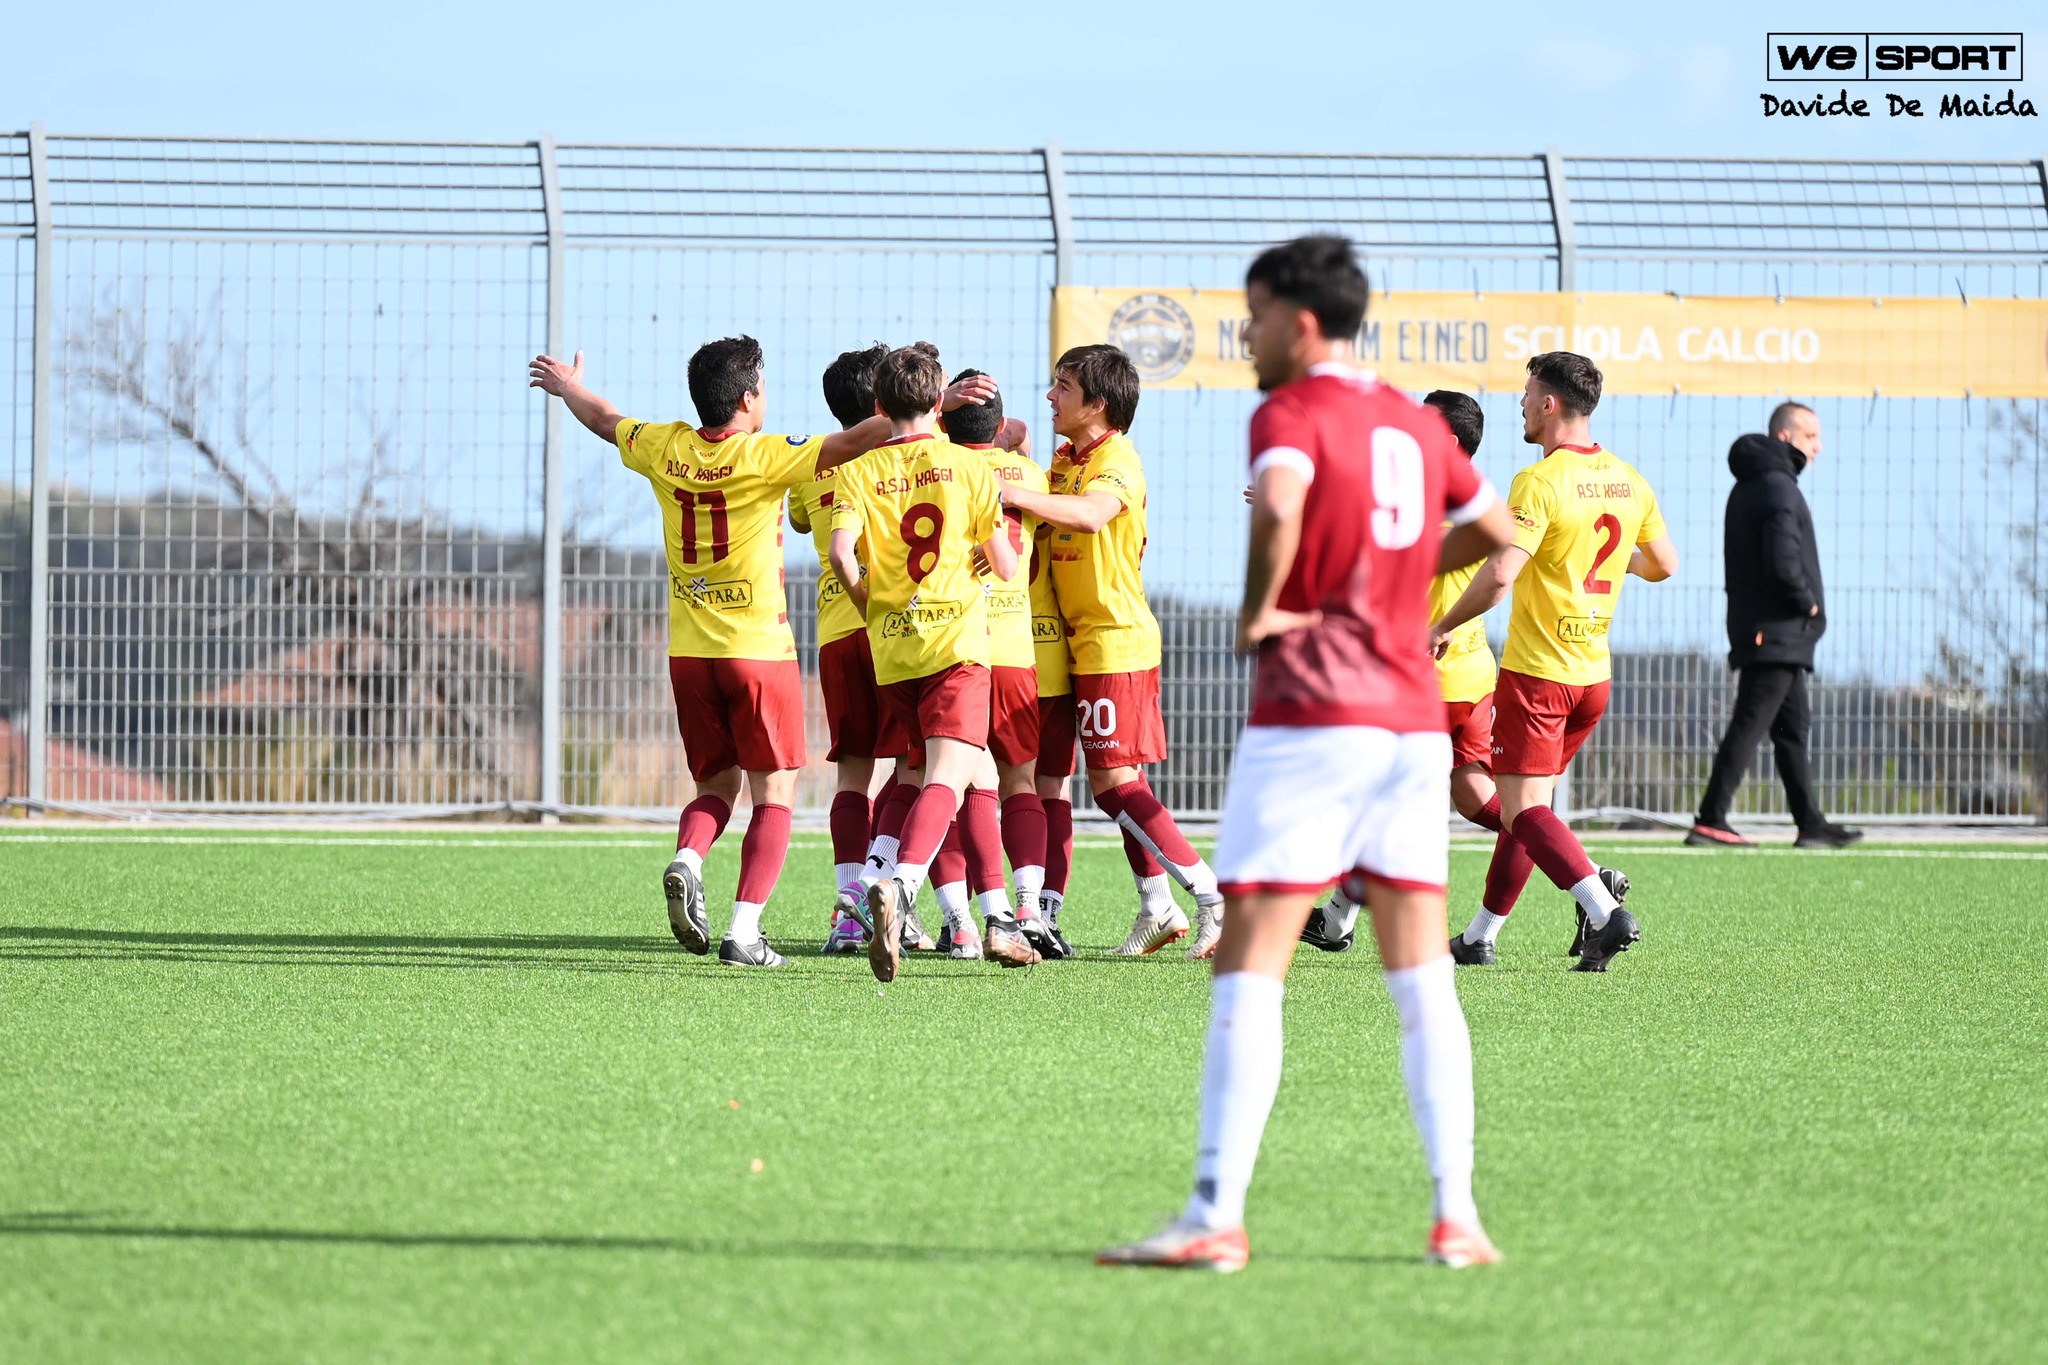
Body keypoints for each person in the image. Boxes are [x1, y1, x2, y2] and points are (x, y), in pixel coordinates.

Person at [1098, 235, 1514, 1273]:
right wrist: (1397, 572)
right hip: (1409, 726)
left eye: (1254, 315)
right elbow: (1498, 532)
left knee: (1251, 968)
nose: (1244, 335)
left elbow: (1280, 503)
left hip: (1310, 719)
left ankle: (1213, 1216)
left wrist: (1262, 608)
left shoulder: (1290, 412)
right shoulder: (1411, 422)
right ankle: (1457, 1219)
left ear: (1302, 321)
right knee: (1420, 977)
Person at [528, 340, 994, 968]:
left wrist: (568, 388)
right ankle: (744, 930)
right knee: (775, 795)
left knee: (715, 785)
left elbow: (606, 420)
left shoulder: (664, 446)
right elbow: (855, 441)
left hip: (689, 653)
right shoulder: (765, 455)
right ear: (749, 398)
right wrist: (931, 405)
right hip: (759, 651)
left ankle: (688, 858)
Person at [1299, 389, 1584, 959]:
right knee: (1480, 799)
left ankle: (1336, 919)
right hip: (1472, 679)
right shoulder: (1485, 500)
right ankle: (1587, 876)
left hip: (1418, 684)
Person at [1429, 352, 1679, 971]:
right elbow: (1664, 564)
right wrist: (1603, 562)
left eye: (1527, 393)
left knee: (1523, 811)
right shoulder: (1628, 479)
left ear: (1549, 403)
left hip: (1539, 675)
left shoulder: (1539, 482)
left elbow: (1499, 577)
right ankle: (1479, 936)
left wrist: (1443, 625)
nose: (1520, 403)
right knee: (1526, 808)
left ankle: (1603, 909)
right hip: (1593, 674)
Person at [998, 345, 1226, 959]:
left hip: (1114, 640)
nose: (1051, 397)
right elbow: (1034, 461)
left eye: (1063, 388)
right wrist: (1010, 438)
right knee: (1115, 779)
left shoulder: (1118, 458)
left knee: (1112, 784)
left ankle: (1212, 896)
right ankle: (1157, 904)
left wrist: (1011, 494)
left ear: (1098, 404)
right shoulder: (1068, 456)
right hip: (1078, 642)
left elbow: (1092, 516)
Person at [828, 344, 1038, 979]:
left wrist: (869, 603)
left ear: (880, 404)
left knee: (932, 772)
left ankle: (986, 917)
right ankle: (898, 886)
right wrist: (987, 554)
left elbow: (840, 554)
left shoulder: (858, 470)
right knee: (951, 776)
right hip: (957, 646)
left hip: (893, 648)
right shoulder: (970, 467)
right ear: (938, 402)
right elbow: (1006, 566)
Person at [789, 343, 917, 956]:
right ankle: (879, 883)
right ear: (881, 401)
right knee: (918, 765)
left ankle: (847, 912)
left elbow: (798, 520)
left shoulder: (815, 462)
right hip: (892, 626)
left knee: (853, 773)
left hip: (836, 631)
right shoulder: (902, 457)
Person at [941, 369, 1074, 959]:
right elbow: (1017, 436)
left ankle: (965, 922)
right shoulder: (1029, 475)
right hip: (1018, 650)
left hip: (957, 648)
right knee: (1021, 782)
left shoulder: (941, 468)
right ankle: (1028, 910)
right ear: (997, 427)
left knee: (958, 783)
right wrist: (1007, 433)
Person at [1689, 403, 1863, 850]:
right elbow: (1782, 562)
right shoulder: (1778, 487)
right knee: (1750, 723)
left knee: (1792, 729)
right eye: (1811, 436)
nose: (1818, 447)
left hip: (1770, 632)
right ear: (1786, 436)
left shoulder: (1754, 484)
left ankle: (1810, 823)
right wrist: (1808, 603)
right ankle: (1711, 818)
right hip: (1777, 631)